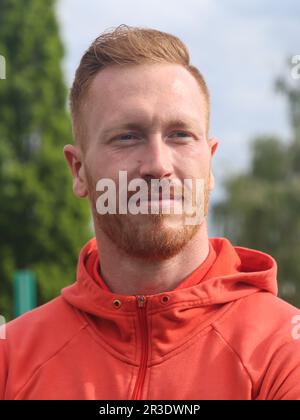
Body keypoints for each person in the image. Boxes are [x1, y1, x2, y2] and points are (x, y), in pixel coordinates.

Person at [1, 24, 300, 401]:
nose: (158, 165)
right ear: (78, 171)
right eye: (127, 136)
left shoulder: (285, 350)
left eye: (180, 135)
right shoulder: (11, 358)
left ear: (209, 164)